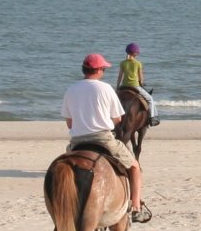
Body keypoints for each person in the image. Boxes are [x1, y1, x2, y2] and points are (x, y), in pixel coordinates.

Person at [61, 52, 148, 222]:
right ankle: (136, 207)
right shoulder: (106, 88)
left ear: (84, 70)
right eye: (103, 69)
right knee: (134, 167)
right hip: (103, 139)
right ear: (99, 70)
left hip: (76, 142)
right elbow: (117, 119)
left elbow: (70, 124)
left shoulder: (71, 90)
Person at [116, 42, 160, 126]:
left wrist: (117, 87)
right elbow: (140, 77)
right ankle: (152, 118)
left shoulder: (122, 63)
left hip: (124, 85)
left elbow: (119, 77)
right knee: (150, 99)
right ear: (135, 53)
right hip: (135, 85)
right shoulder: (138, 63)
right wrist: (142, 83)